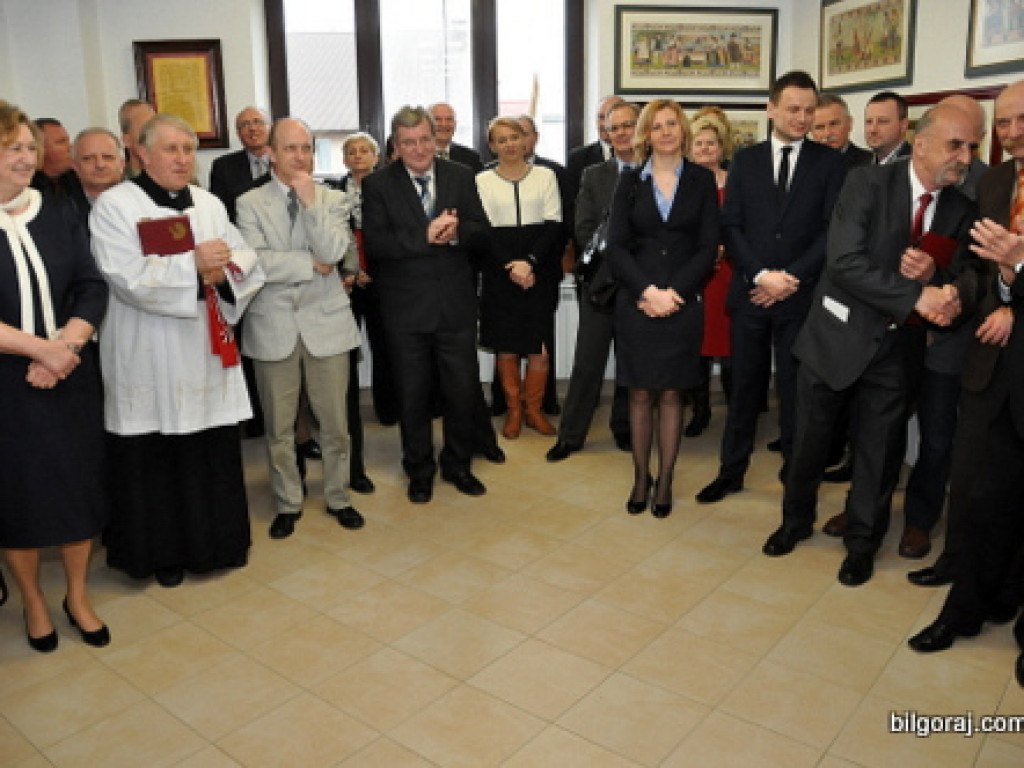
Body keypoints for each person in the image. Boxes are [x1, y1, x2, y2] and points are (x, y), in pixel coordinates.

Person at [765, 105, 978, 589]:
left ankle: (862, 543)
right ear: (920, 143)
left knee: (879, 454)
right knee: (809, 446)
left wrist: (941, 283)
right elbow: (844, 262)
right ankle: (794, 521)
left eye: (972, 146)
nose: (964, 157)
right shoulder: (866, 183)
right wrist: (916, 294)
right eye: (955, 145)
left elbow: (968, 275)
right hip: (835, 337)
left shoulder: (961, 208)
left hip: (897, 348)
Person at [90, 114, 266, 587]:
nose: (182, 159)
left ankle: (217, 546)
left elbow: (245, 254)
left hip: (204, 350)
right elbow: (124, 276)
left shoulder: (209, 204)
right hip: (146, 351)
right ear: (141, 154)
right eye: (170, 149)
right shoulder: (116, 206)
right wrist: (193, 268)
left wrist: (223, 273)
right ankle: (160, 554)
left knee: (207, 449)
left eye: (188, 150)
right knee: (156, 455)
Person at [908, 81, 1024, 688]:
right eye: (1003, 122)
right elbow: (982, 271)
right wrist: (978, 290)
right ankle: (965, 610)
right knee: (980, 494)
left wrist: (1019, 277)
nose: (1013, 132)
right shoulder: (996, 185)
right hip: (992, 369)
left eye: (1021, 119)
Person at [696, 71, 847, 504]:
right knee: (743, 389)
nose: (802, 118)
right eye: (793, 109)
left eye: (808, 110)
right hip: (749, 295)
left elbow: (829, 231)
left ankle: (795, 476)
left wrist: (789, 279)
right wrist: (762, 276)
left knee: (796, 393)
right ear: (772, 109)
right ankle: (731, 471)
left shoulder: (830, 163)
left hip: (801, 299)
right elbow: (732, 225)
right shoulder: (746, 160)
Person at [0, 103, 110, 650]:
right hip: (6, 388)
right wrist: (40, 351)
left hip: (69, 374)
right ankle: (33, 600)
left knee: (75, 489)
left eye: (27, 147)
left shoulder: (59, 208)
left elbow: (91, 284)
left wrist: (65, 347)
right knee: (17, 497)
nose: (25, 158)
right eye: (12, 148)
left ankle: (76, 593)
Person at [236, 117, 365, 540]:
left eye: (306, 148)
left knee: (335, 424)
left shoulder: (331, 198)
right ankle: (288, 501)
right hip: (273, 327)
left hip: (326, 324)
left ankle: (338, 496)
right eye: (290, 148)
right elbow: (254, 261)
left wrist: (310, 203)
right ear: (270, 153)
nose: (300, 157)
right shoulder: (249, 203)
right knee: (280, 427)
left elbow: (333, 250)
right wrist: (308, 264)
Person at [361, 105, 490, 503]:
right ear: (396, 147)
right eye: (408, 142)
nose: (418, 149)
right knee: (412, 395)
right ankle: (419, 469)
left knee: (461, 391)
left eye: (424, 140)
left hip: (455, 305)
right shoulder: (378, 185)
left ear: (436, 140)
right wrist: (425, 235)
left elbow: (481, 231)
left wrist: (456, 235)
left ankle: (458, 464)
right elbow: (377, 245)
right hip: (405, 310)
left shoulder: (461, 175)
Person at [606, 99, 719, 518]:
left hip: (682, 302)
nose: (666, 131)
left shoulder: (702, 182)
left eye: (673, 124)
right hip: (636, 301)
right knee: (638, 393)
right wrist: (647, 291)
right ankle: (641, 477)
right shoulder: (630, 181)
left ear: (683, 131)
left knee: (672, 394)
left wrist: (675, 293)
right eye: (657, 126)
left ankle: (666, 478)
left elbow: (708, 247)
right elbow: (616, 246)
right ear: (646, 135)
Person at [546, 101, 639, 461]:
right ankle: (571, 435)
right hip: (601, 284)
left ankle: (624, 428)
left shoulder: (657, 172)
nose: (621, 134)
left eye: (628, 125)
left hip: (640, 288)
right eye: (614, 128)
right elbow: (583, 231)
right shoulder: (594, 175)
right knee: (588, 363)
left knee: (631, 363)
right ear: (606, 133)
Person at [476, 117, 562, 439]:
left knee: (539, 348)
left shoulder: (546, 176)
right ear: (492, 145)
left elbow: (554, 225)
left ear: (526, 140)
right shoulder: (481, 181)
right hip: (500, 272)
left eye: (515, 137)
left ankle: (534, 411)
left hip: (538, 270)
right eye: (502, 139)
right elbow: (483, 231)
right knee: (507, 347)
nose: (510, 144)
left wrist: (529, 263)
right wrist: (511, 266)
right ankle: (513, 412)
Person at [332, 132, 397, 433]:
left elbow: (395, 235)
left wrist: (374, 269)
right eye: (351, 151)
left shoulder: (389, 188)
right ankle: (346, 411)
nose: (358, 156)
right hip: (345, 280)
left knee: (384, 345)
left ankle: (388, 407)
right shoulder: (332, 192)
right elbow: (331, 236)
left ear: (376, 156)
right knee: (345, 348)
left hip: (381, 279)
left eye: (364, 151)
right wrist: (350, 270)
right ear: (345, 159)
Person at [686, 112, 734, 438]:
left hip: (729, 275)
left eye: (711, 143)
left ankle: (737, 414)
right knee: (696, 348)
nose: (704, 149)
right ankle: (699, 411)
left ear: (721, 147)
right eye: (698, 143)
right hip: (693, 277)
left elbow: (747, 226)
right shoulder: (682, 184)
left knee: (732, 348)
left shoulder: (735, 182)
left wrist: (723, 249)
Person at [209, 107, 272, 223]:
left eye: (258, 122)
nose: (253, 128)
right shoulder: (222, 166)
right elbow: (219, 212)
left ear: (270, 128)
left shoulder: (285, 162)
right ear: (238, 134)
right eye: (245, 125)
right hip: (240, 233)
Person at [68, 127, 125, 228]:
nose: (100, 165)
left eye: (108, 157)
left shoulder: (143, 202)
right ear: (75, 166)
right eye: (88, 158)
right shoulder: (61, 211)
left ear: (122, 164)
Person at [812, 94, 873, 169]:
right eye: (819, 127)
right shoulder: (802, 167)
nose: (827, 133)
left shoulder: (872, 163)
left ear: (849, 123)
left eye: (834, 124)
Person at [429, 103, 483, 172]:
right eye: (437, 119)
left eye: (449, 119)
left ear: (455, 124)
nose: (444, 124)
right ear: (428, 124)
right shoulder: (419, 155)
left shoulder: (471, 158)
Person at [864, 91, 912, 165]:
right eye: (869, 122)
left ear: (903, 125)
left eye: (882, 121)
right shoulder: (859, 166)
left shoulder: (916, 166)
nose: (873, 130)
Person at [117, 98, 155, 178]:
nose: (153, 136)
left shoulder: (175, 180)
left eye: (155, 128)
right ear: (127, 140)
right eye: (145, 130)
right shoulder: (119, 186)